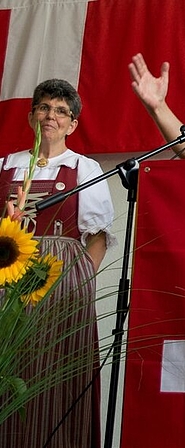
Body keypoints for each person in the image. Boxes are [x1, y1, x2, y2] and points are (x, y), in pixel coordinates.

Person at [0, 79, 116, 447]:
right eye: (44, 107)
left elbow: (97, 236)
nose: (51, 115)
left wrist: (79, 286)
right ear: (32, 115)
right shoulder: (5, 164)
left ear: (73, 124)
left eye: (61, 111)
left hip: (60, 286)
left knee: (53, 372)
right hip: (6, 281)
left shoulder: (84, 168)